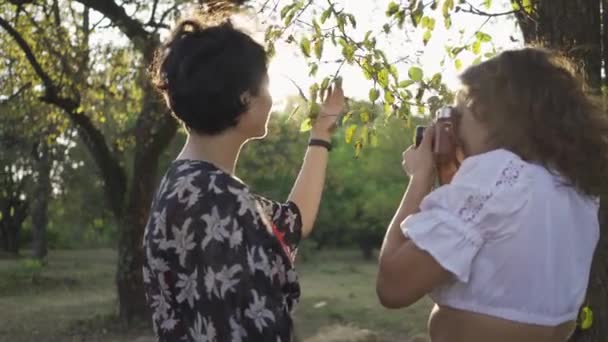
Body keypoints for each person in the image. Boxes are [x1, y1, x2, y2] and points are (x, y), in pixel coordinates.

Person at [376, 47, 608, 342]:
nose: (454, 129)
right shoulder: (575, 188)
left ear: (486, 112)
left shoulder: (496, 172)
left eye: (458, 114)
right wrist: (454, 186)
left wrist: (420, 178)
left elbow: (393, 285)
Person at [143, 18, 345, 341]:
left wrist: (321, 133)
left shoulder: (187, 185)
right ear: (244, 98)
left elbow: (292, 223)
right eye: (265, 86)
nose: (271, 98)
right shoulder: (219, 199)